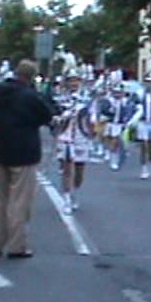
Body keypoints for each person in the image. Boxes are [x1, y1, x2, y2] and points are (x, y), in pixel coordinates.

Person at [0, 60, 52, 258]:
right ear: (32, 76)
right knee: (19, 202)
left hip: (0, 151)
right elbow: (46, 114)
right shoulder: (29, 96)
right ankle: (17, 245)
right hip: (24, 153)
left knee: (0, 200)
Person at [54, 73, 94, 214]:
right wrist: (60, 118)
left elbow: (91, 118)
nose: (73, 84)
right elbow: (54, 117)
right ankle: (66, 200)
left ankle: (74, 193)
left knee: (79, 171)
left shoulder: (87, 98)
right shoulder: (60, 98)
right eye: (71, 81)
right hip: (65, 136)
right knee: (67, 169)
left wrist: (92, 132)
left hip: (81, 136)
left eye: (76, 80)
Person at [103, 85, 135, 171]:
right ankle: (110, 154)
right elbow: (104, 111)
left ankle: (114, 160)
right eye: (116, 92)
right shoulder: (110, 101)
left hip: (119, 124)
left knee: (116, 142)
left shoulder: (125, 102)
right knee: (109, 140)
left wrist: (127, 121)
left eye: (119, 93)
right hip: (110, 123)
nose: (117, 94)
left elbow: (129, 112)